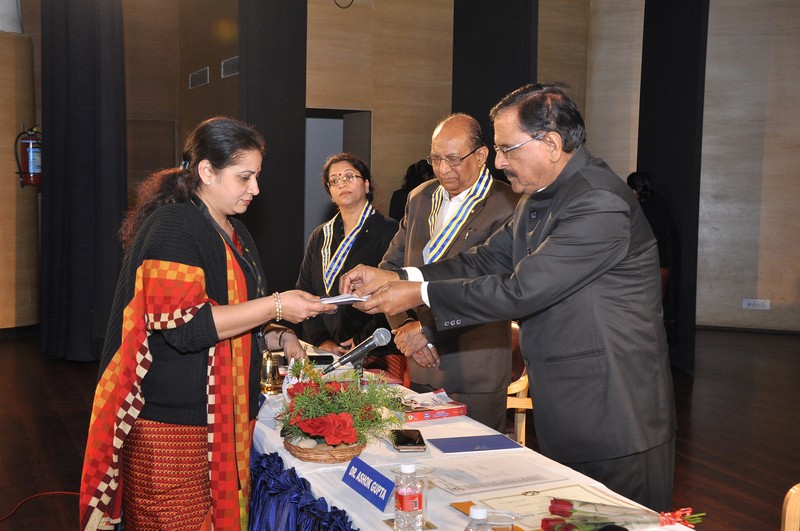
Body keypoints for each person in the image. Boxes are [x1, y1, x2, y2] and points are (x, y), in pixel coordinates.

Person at [341, 83, 677, 511]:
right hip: (569, 408)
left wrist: (417, 293)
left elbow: (521, 290)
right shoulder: (542, 197)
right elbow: (484, 260)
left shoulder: (597, 201)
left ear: (551, 144)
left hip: (615, 414)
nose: (498, 162)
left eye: (506, 149)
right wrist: (396, 275)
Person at [79, 117, 335, 530]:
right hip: (172, 426)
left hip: (225, 417)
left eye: (257, 176)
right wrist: (275, 306)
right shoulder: (174, 225)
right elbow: (184, 327)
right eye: (244, 177)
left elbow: (242, 315)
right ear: (206, 172)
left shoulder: (236, 231)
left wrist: (284, 336)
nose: (255, 189)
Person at [379, 113, 518, 432]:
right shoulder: (420, 198)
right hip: (420, 361)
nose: (442, 169)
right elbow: (390, 271)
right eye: (436, 158)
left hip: (474, 368)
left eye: (453, 159)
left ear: (481, 155)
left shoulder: (509, 204)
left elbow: (496, 288)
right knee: (420, 455)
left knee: (475, 457)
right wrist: (405, 326)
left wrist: (427, 332)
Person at [296, 152, 404, 379]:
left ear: (366, 184)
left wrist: (363, 341)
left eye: (349, 176)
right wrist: (322, 340)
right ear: (330, 192)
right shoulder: (320, 236)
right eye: (334, 180)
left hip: (377, 350)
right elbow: (305, 291)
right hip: (328, 352)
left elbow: (397, 292)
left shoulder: (391, 231)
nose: (342, 183)